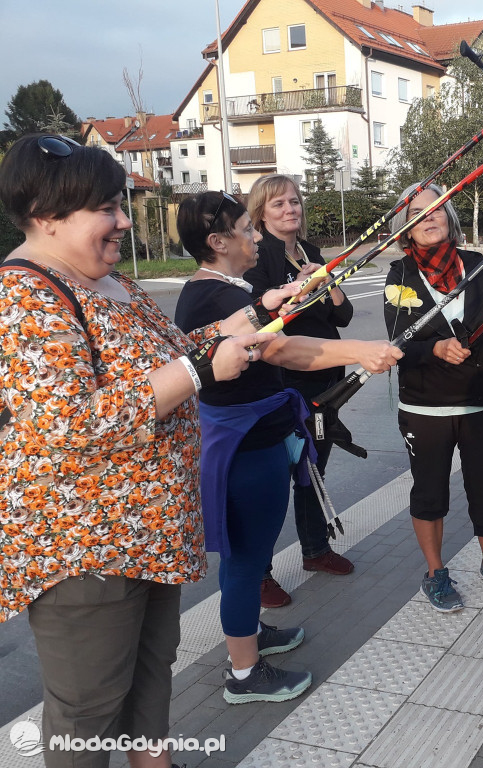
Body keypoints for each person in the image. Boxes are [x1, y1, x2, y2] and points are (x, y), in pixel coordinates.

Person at [0, 136, 281, 767]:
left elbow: (171, 355)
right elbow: (72, 419)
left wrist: (252, 316)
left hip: (149, 530)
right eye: (106, 208)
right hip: (86, 545)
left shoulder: (109, 279)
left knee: (153, 668)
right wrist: (205, 368)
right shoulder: (24, 296)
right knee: (87, 706)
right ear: (47, 215)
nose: (124, 220)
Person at [175, 191, 401, 704]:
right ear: (218, 242)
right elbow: (284, 350)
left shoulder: (221, 290)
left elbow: (260, 323)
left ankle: (248, 635)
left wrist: (284, 297)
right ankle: (243, 674)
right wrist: (363, 350)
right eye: (246, 229)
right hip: (246, 448)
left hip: (256, 439)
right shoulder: (213, 295)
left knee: (251, 554)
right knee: (247, 558)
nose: (256, 235)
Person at [383, 182, 483, 612]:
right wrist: (434, 347)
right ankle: (435, 572)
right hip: (424, 407)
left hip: (482, 402)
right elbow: (397, 341)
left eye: (435, 208)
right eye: (418, 212)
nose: (428, 216)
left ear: (448, 216)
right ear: (407, 226)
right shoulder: (399, 275)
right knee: (429, 491)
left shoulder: (477, 266)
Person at [243, 174, 356, 609]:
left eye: (294, 202)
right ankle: (260, 573)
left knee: (314, 469)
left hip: (328, 382)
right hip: (288, 385)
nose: (290, 210)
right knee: (280, 476)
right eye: (278, 205)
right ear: (261, 214)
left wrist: (326, 282)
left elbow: (343, 316)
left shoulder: (309, 252)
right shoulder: (261, 259)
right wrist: (301, 291)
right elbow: (263, 324)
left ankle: (315, 549)